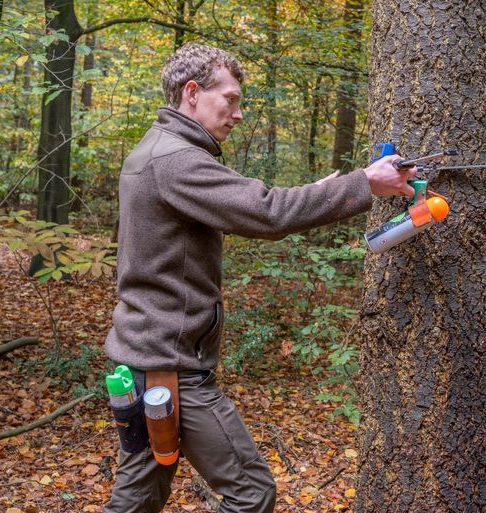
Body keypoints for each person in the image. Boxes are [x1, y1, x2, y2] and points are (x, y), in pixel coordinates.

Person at [103, 43, 416, 513]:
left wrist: (320, 193)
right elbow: (266, 214)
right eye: (229, 99)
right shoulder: (175, 159)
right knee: (251, 494)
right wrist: (363, 183)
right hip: (169, 368)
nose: (239, 113)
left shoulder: (159, 151)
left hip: (148, 360)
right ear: (192, 93)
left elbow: (248, 209)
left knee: (137, 499)